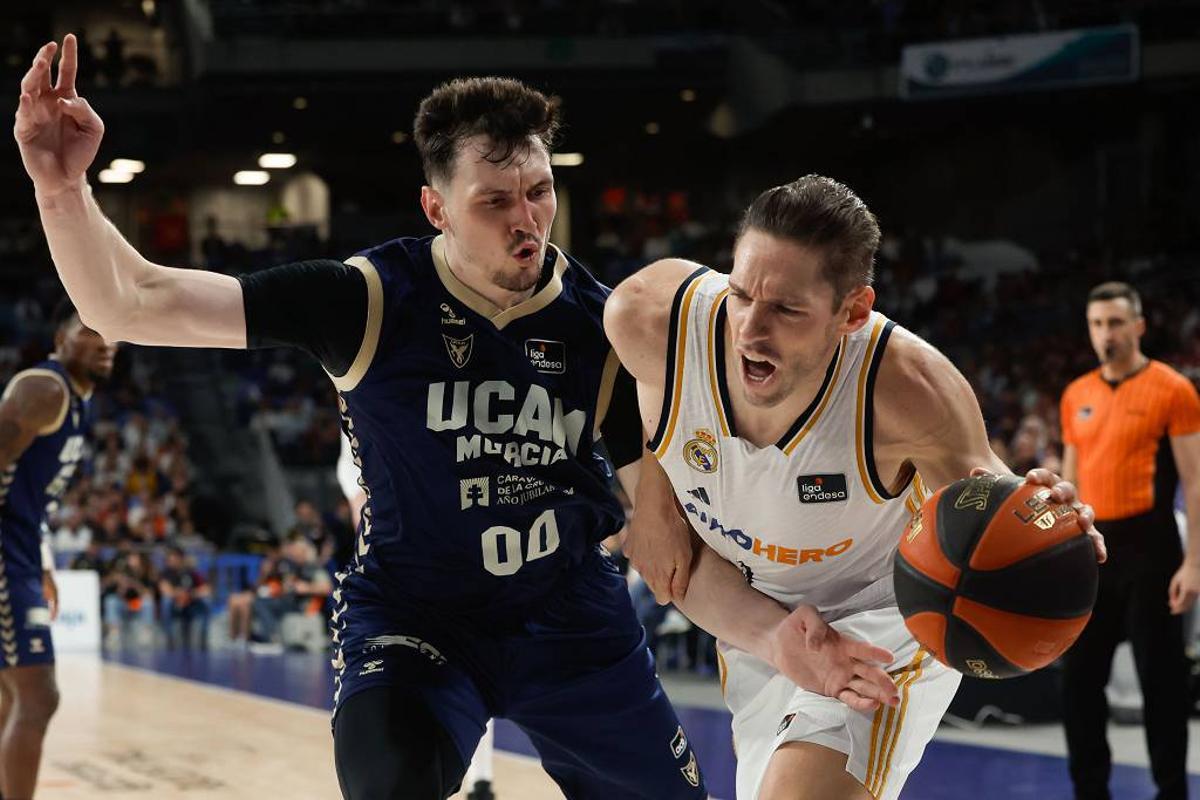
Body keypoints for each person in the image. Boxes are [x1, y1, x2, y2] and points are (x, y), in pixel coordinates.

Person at [18, 35, 793, 799]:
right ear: (436, 208)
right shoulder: (368, 299)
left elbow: (664, 515)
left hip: (570, 619)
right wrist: (61, 189)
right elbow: (129, 301)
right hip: (418, 619)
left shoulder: (602, 325)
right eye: (495, 201)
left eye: (539, 191)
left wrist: (748, 596)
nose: (527, 220)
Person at [604, 175, 1108, 800]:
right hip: (754, 620)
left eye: (787, 309)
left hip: (888, 617)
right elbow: (634, 402)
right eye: (740, 294)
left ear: (853, 312)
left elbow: (988, 509)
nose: (749, 331)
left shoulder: (908, 391)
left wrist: (1046, 528)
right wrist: (653, 495)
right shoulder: (649, 320)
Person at [1059, 281, 1200, 800]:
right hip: (1093, 552)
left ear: (1138, 326)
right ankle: (1089, 792)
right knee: (1078, 682)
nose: (1106, 334)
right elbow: (1068, 486)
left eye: (1116, 322)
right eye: (1097, 324)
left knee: (1162, 683)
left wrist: (1194, 563)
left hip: (1153, 547)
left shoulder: (1173, 389)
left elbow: (1195, 481)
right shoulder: (1076, 394)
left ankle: (1171, 792)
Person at [0, 297, 114, 798]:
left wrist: (41, 561)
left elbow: (30, 494)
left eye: (111, 332)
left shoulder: (78, 402)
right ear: (59, 340)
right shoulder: (45, 389)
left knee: (10, 696)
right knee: (38, 697)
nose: (105, 342)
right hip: (5, 552)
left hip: (22, 549)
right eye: (89, 330)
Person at [157, 545, 212, 650]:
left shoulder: (191, 572)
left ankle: (203, 639)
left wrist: (190, 594)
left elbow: (206, 589)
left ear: (181, 558)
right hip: (175, 605)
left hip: (191, 603)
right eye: (170, 558)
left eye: (174, 557)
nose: (171, 560)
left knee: (206, 601)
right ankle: (169, 638)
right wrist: (179, 594)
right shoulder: (165, 574)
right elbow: (165, 590)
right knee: (166, 602)